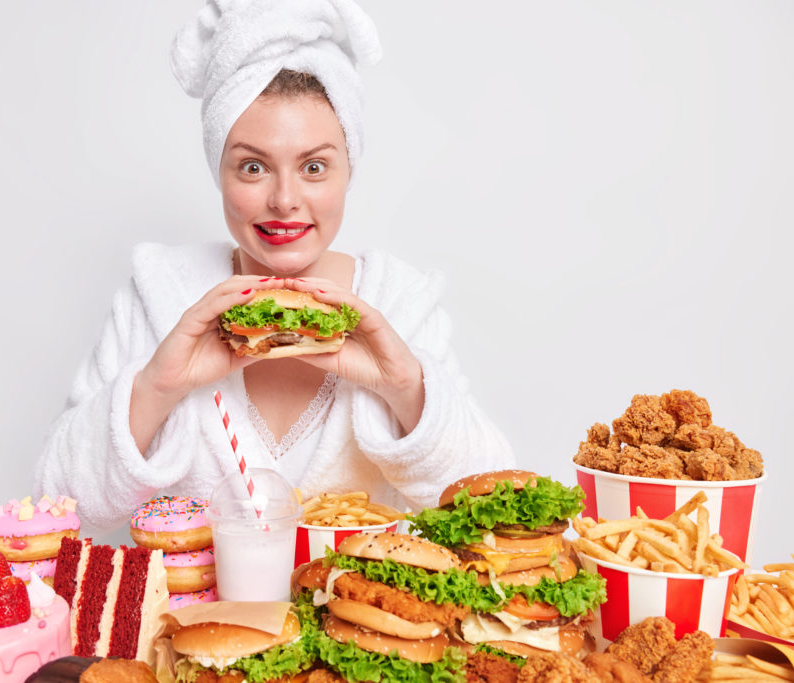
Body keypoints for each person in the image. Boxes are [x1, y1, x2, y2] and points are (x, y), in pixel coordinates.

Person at [33, 0, 513, 531]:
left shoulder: (402, 302)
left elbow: (497, 514)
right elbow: (56, 507)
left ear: (348, 169)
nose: (284, 200)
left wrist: (406, 388)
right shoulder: (158, 296)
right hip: (191, 616)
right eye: (253, 166)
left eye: (314, 166)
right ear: (220, 171)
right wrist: (155, 388)